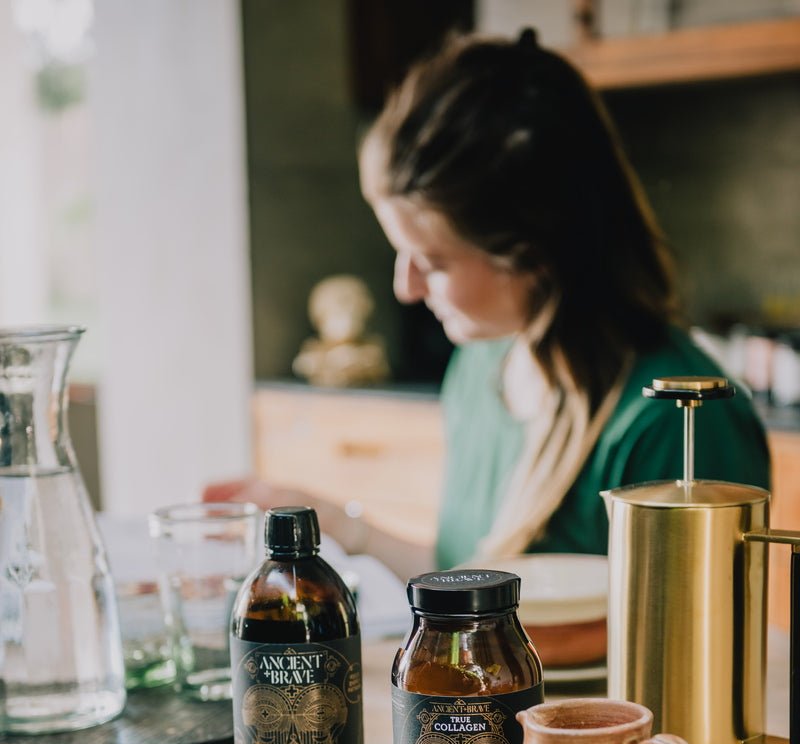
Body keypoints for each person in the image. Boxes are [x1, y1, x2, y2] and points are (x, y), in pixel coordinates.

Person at [204, 28, 769, 578]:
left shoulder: (678, 421)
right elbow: (467, 583)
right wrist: (340, 526)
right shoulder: (482, 366)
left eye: (435, 261)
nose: (406, 287)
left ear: (536, 253)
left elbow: (697, 654)